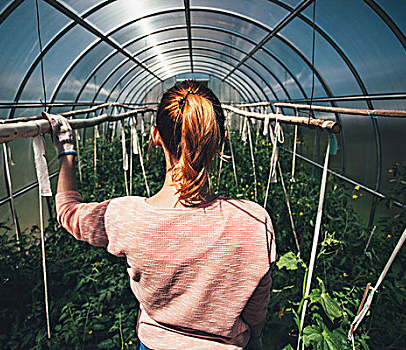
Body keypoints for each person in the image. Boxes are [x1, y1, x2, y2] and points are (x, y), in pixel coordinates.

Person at [45, 80, 276, 350]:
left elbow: (67, 211)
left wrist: (67, 151)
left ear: (155, 136)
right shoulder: (253, 221)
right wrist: (255, 336)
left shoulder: (125, 217)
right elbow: (256, 314)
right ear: (221, 140)